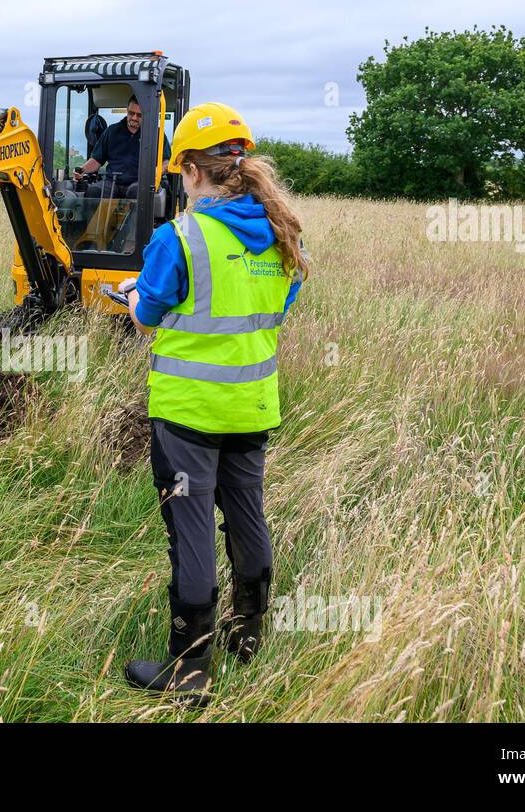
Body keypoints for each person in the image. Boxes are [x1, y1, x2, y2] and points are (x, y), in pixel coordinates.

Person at [117, 102, 309, 705]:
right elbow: (275, 310)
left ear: (194, 173)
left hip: (189, 414)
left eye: (180, 173)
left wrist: (131, 296)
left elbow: (148, 315)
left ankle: (189, 669)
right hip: (252, 409)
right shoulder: (283, 234)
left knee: (192, 530)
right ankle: (248, 634)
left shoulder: (182, 236)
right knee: (247, 514)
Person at [73, 95, 171, 196]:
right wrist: (81, 170)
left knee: (137, 192)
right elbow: (96, 160)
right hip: (112, 182)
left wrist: (158, 171)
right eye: (131, 113)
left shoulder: (156, 134)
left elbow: (166, 162)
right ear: (127, 110)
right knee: (94, 191)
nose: (134, 118)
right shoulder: (111, 131)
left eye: (139, 115)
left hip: (141, 182)